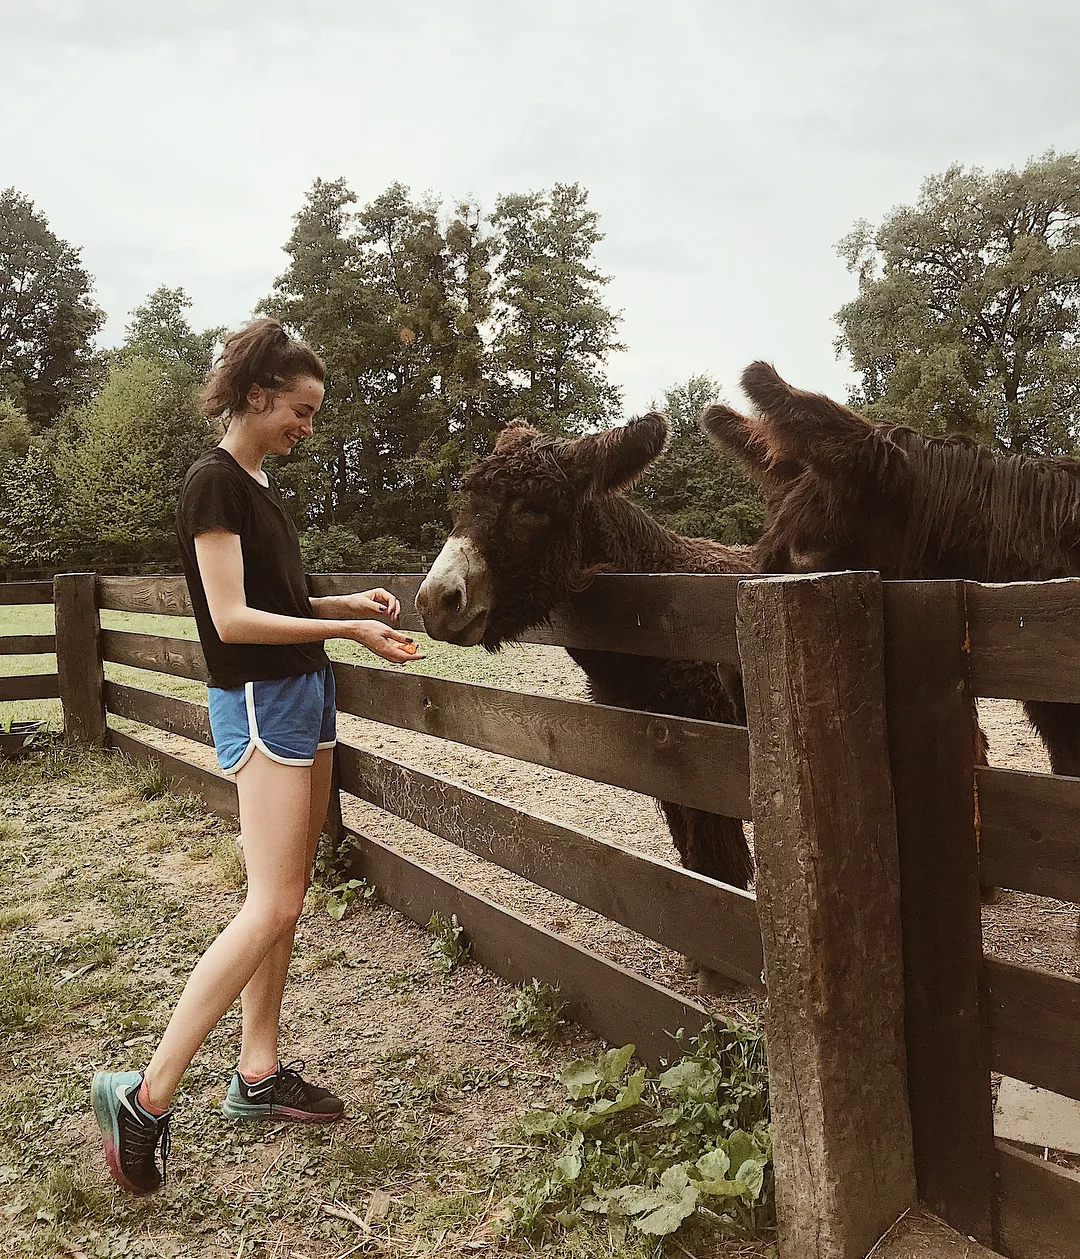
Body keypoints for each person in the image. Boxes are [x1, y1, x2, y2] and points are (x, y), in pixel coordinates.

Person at [92, 318, 421, 1195]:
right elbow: (231, 619)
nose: (307, 427)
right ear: (256, 393)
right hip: (261, 695)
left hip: (301, 687)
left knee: (287, 895)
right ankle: (147, 1096)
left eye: (313, 415)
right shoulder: (212, 484)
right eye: (300, 411)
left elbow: (275, 594)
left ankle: (257, 1071)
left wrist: (346, 601)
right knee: (271, 902)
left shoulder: (256, 483)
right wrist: (346, 626)